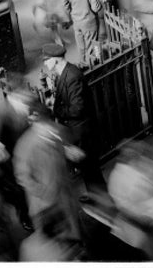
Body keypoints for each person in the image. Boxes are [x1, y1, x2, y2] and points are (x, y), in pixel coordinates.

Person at [13, 101, 84, 240]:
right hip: (45, 207)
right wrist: (44, 192)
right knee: (56, 244)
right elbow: (22, 176)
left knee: (75, 235)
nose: (47, 128)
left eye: (47, 123)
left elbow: (63, 147)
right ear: (33, 124)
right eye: (40, 125)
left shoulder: (58, 131)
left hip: (65, 196)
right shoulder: (25, 145)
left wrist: (69, 151)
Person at [41, 43, 107, 192]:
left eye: (47, 60)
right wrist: (55, 102)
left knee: (91, 172)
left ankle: (103, 201)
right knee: (89, 172)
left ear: (56, 60)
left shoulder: (72, 76)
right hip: (78, 133)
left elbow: (77, 108)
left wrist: (56, 109)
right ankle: (98, 198)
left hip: (83, 133)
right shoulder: (63, 73)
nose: (45, 63)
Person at [62, 0, 103, 66]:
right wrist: (101, 1)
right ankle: (95, 65)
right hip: (89, 22)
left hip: (76, 21)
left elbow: (65, 3)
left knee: (81, 47)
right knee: (94, 45)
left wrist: (72, 14)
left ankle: (83, 64)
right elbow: (96, 7)